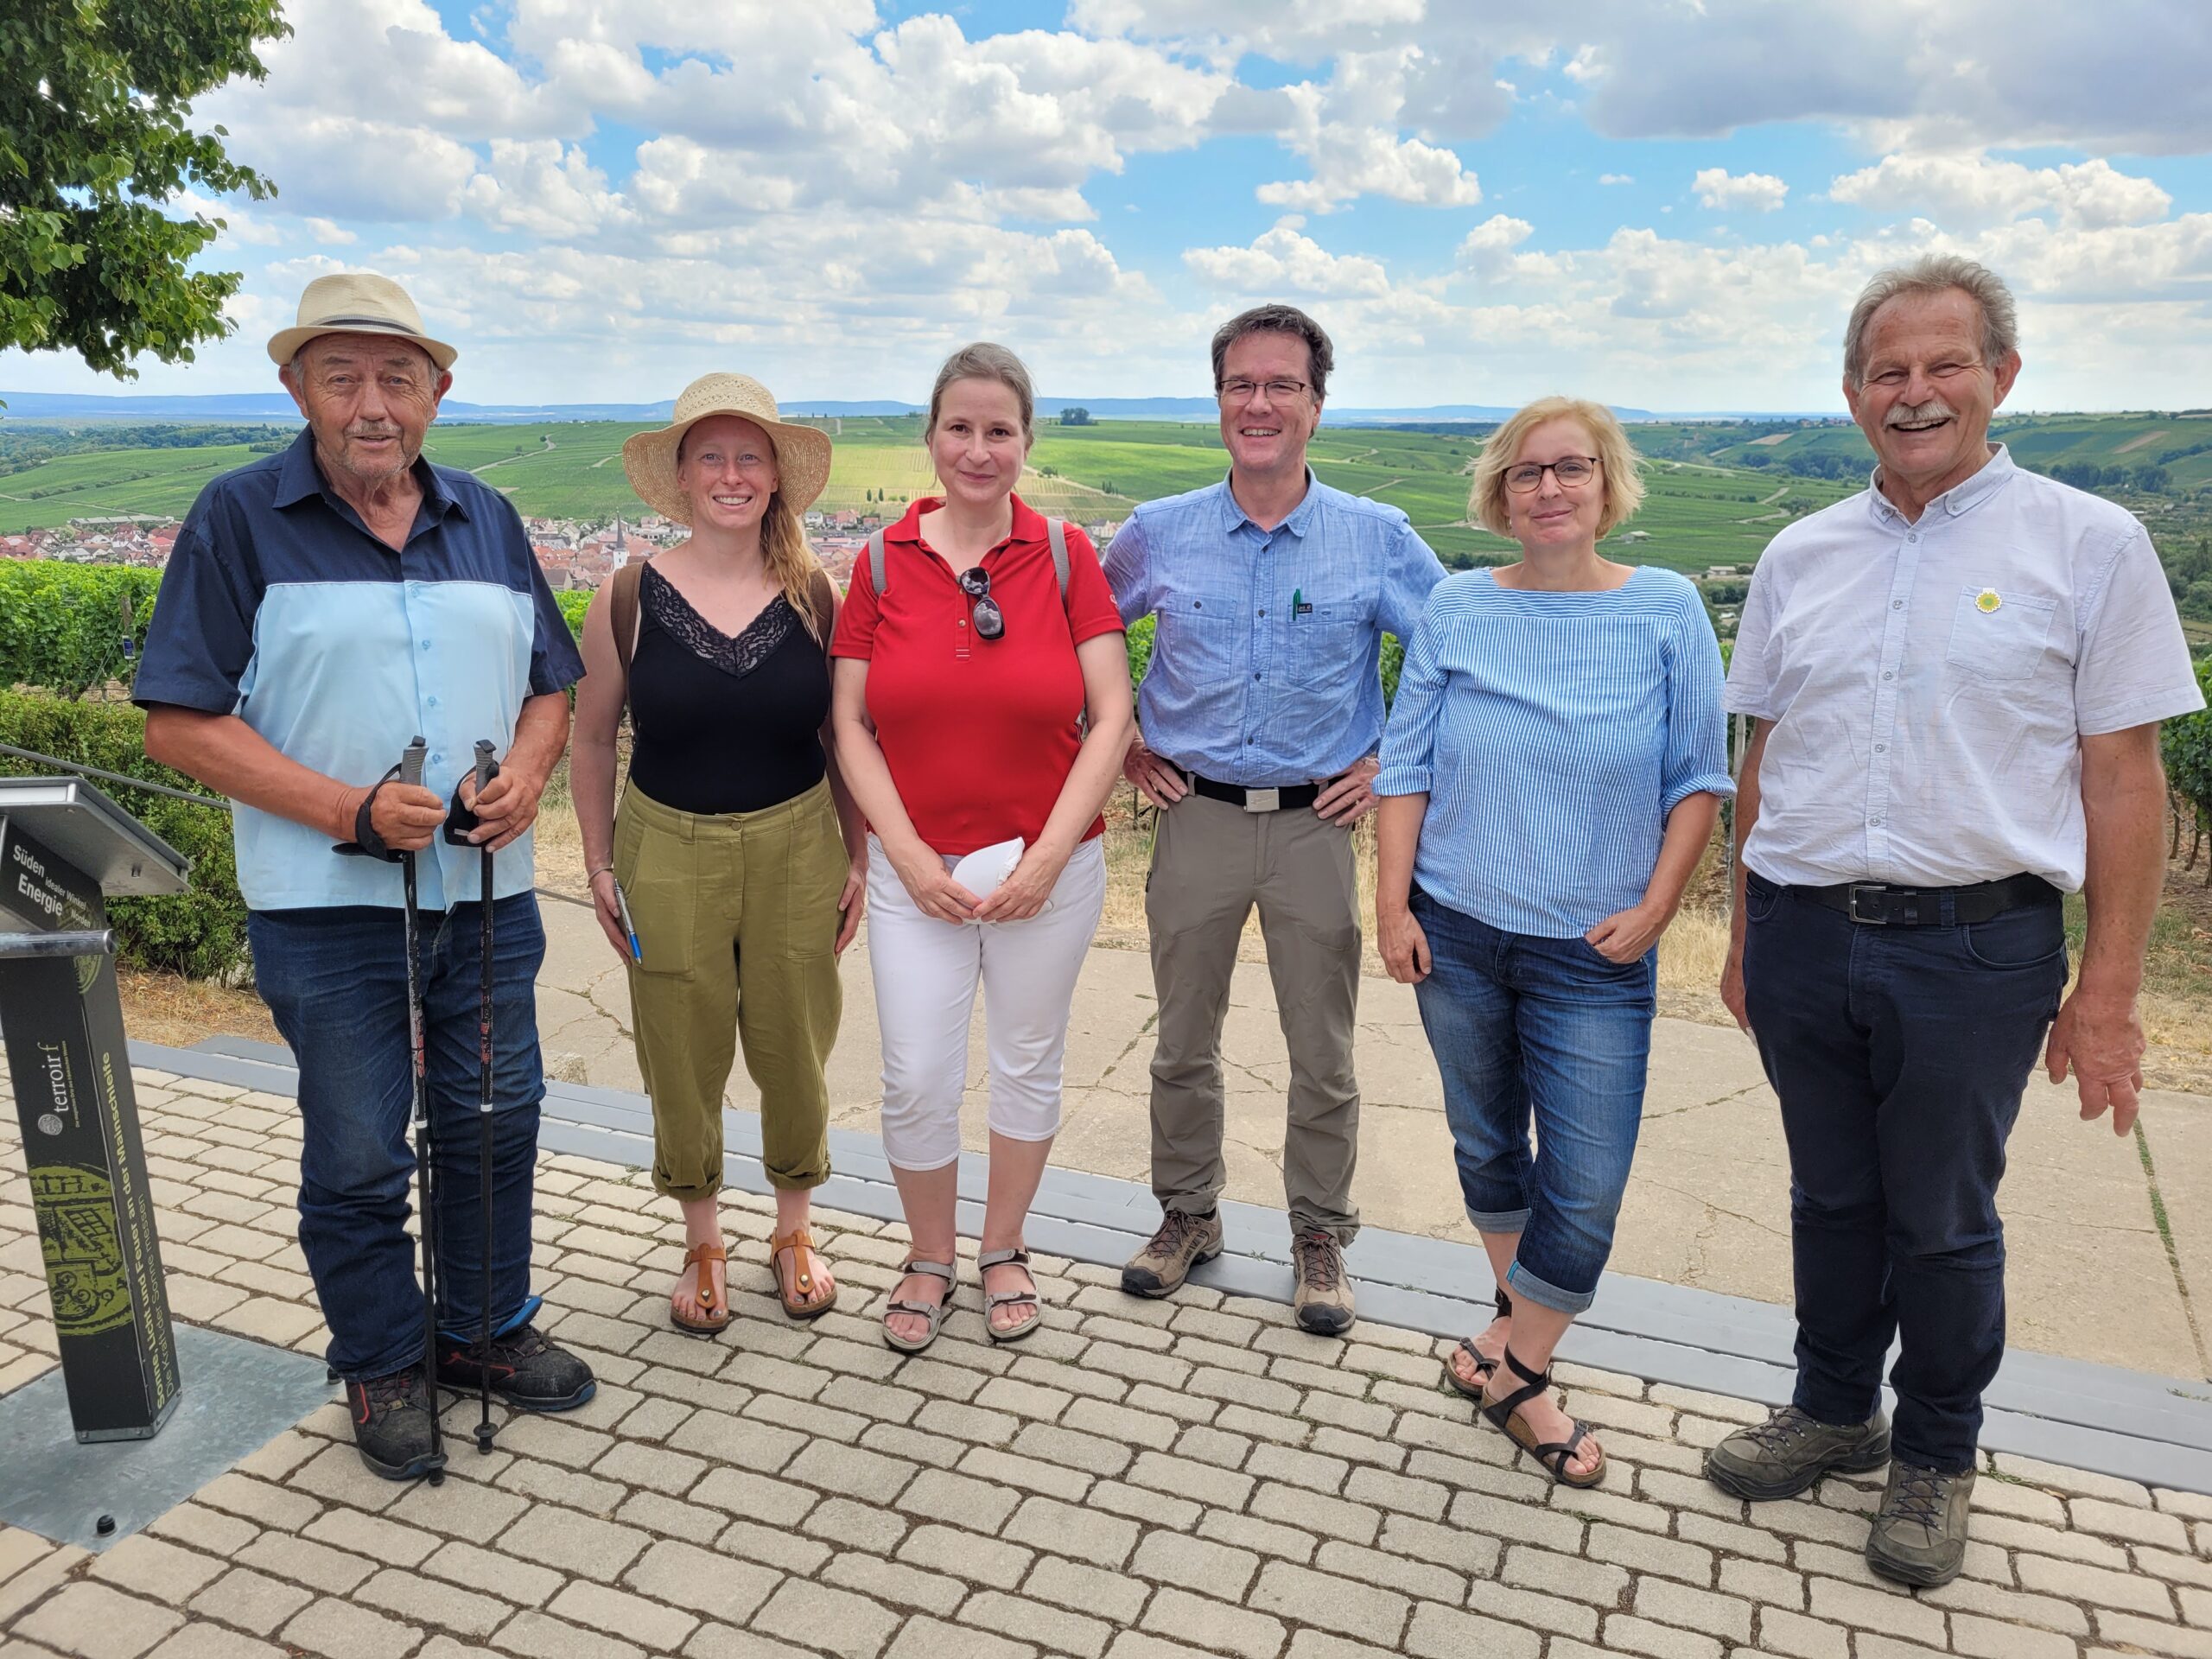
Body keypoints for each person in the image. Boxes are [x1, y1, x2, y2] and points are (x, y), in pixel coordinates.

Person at [1705, 256, 2206, 1584]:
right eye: (1889, 371)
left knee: (1941, 1215)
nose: (1916, 393)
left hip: (1977, 948)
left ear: (2003, 378)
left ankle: (1935, 1452)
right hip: (1805, 933)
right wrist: (1748, 936)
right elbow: (1767, 755)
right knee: (1831, 1198)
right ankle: (1831, 1413)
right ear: (1853, 392)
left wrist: (2107, 993)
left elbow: (2124, 780)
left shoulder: (2089, 545)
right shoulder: (1801, 552)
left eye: (1944, 365)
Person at [137, 272, 596, 1481]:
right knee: (358, 1149)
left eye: (398, 377)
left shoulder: (487, 516)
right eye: (341, 376)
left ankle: (483, 1333)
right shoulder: (238, 518)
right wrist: (343, 807)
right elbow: (178, 722)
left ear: (438, 393)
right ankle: (384, 1361)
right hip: (324, 910)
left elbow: (553, 682)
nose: (372, 404)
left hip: (486, 904)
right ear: (298, 389)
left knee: (496, 1126)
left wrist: (530, 773)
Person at [1374, 397, 1731, 1486]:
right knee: (1487, 1148)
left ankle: (1513, 1367)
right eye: (1527, 473)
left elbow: (1699, 778)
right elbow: (1406, 765)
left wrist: (1663, 904)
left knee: (1583, 1184)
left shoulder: (1667, 608)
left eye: (1571, 468)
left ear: (1606, 484)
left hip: (1597, 948)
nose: (1549, 488)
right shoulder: (1458, 606)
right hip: (1459, 928)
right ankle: (1515, 1359)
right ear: (1499, 493)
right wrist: (1391, 909)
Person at [1103, 303, 1446, 1335]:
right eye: (1240, 385)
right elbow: (1067, 642)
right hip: (1194, 818)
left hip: (1314, 830)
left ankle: (1319, 1238)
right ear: (1218, 403)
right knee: (1181, 1042)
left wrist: (1388, 764)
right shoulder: (1156, 533)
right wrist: (1116, 740)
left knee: (1323, 1050)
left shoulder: (1375, 538)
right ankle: (1188, 1216)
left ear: (1315, 406)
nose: (1259, 403)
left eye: (1281, 386)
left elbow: (1451, 658)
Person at [830, 342, 1135, 1352]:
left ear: (1026, 442)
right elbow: (850, 726)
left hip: (1047, 864)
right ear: (929, 439)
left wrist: (1047, 857)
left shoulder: (1065, 557)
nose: (977, 448)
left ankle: (1003, 1247)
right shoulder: (878, 563)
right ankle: (928, 1254)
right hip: (917, 872)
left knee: (1026, 1062)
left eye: (998, 429)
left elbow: (1111, 716)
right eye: (958, 427)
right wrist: (905, 855)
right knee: (916, 1071)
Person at [570, 374, 866, 1336]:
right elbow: (588, 739)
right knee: (678, 1051)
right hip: (665, 845)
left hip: (796, 843)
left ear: (776, 478)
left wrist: (857, 857)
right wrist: (600, 864)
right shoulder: (625, 598)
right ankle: (701, 1238)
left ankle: (792, 1231)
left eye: (750, 458)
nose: (732, 476)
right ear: (684, 477)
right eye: (713, 457)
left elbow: (843, 739)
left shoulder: (818, 594)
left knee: (796, 1046)